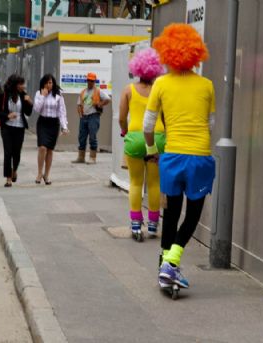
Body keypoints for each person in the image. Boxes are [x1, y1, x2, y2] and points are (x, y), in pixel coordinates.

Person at [143, 24, 216, 289]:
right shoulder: (207, 85)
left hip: (172, 157)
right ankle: (171, 263)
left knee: (171, 212)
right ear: (196, 53)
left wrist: (152, 151)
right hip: (199, 156)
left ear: (167, 53)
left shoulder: (160, 84)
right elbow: (210, 124)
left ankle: (165, 265)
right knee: (193, 215)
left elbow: (148, 126)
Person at [118, 48, 165, 241]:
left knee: (136, 183)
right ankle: (153, 225)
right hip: (158, 137)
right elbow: (165, 117)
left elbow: (122, 118)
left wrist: (125, 132)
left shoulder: (129, 90)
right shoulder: (160, 90)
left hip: (136, 138)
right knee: (154, 184)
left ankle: (136, 225)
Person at [0, 74, 33, 187]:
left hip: (19, 128)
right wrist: (7, 115)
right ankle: (8, 178)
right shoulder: (4, 95)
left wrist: (29, 102)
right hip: (7, 127)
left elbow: (28, 113)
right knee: (8, 152)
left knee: (16, 152)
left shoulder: (24, 95)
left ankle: (14, 170)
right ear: (15, 85)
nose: (23, 86)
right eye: (21, 84)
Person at [34, 74, 69, 185]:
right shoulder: (39, 93)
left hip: (54, 124)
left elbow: (62, 112)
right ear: (43, 83)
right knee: (42, 147)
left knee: (50, 150)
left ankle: (47, 174)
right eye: (48, 82)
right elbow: (37, 109)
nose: (50, 85)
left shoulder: (58, 95)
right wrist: (43, 96)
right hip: (43, 122)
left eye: (51, 83)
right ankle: (39, 172)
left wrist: (64, 126)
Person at [72, 72, 110, 164]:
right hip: (84, 117)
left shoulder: (98, 91)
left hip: (94, 116)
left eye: (92, 80)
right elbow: (79, 104)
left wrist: (100, 104)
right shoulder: (83, 92)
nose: (90, 82)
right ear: (87, 80)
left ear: (94, 81)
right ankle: (81, 157)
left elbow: (108, 99)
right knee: (81, 137)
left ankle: (92, 157)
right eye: (89, 80)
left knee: (93, 137)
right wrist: (80, 115)